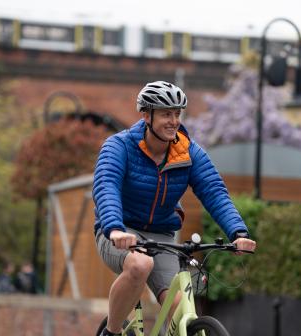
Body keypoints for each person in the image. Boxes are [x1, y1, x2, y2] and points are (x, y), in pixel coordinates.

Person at [93, 80, 257, 336]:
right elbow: (107, 186)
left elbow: (214, 192)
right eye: (166, 114)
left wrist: (238, 233)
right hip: (119, 231)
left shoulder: (189, 153)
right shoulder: (119, 146)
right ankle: (111, 332)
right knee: (139, 266)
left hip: (162, 236)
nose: (173, 120)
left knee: (182, 307)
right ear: (146, 115)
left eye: (177, 113)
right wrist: (114, 228)